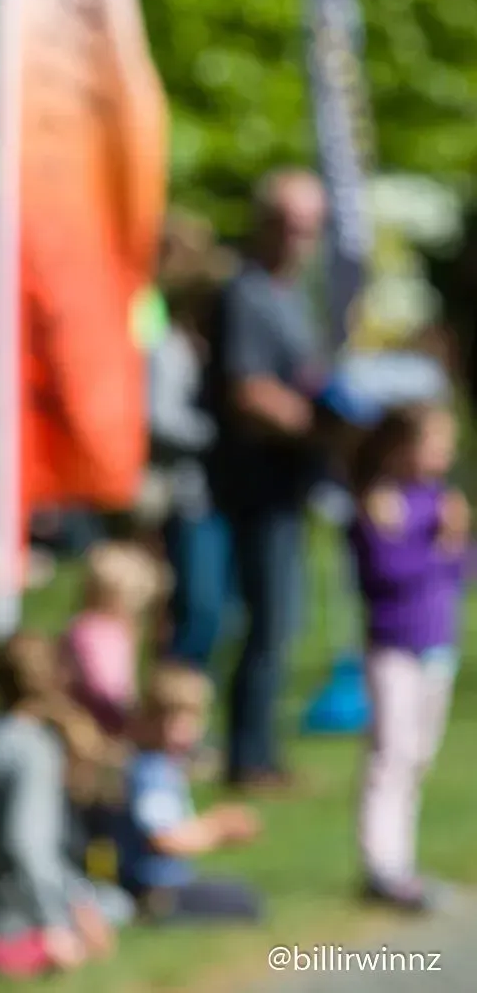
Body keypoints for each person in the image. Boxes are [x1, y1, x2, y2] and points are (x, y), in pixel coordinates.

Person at [202, 168, 329, 791]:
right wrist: (323, 426)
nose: (297, 239)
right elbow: (248, 391)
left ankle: (262, 752)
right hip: (252, 485)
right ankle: (248, 758)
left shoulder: (295, 295)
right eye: (287, 225)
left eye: (309, 227)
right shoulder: (246, 294)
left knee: (282, 620)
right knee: (264, 619)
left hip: (287, 485)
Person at [0, 632, 121, 978]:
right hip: (5, 933)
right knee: (113, 903)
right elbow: (27, 845)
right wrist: (56, 927)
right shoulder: (31, 750)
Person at [346, 403, 468, 912]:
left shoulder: (442, 502)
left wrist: (455, 539)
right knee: (391, 753)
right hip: (393, 645)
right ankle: (382, 864)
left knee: (418, 755)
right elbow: (386, 574)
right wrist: (437, 543)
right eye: (432, 445)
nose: (442, 456)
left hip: (437, 643)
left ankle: (403, 861)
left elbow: (460, 572)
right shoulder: (380, 503)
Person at [150, 213, 237, 672]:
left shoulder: (214, 352)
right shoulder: (167, 349)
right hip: (188, 499)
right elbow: (159, 419)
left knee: (221, 616)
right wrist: (220, 434)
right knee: (197, 613)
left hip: (223, 498)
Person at [116, 664, 263, 924]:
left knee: (240, 893)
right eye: (170, 720)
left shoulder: (163, 766)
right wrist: (218, 829)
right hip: (156, 889)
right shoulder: (151, 773)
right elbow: (164, 838)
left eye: (191, 720)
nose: (180, 730)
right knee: (245, 899)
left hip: (169, 884)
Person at [64, 540, 170, 738]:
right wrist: (128, 710)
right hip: (90, 721)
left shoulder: (122, 631)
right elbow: (98, 682)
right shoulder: (88, 630)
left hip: (113, 717)